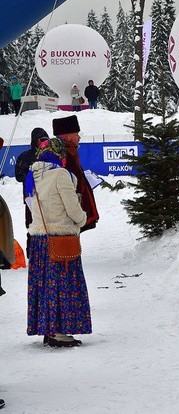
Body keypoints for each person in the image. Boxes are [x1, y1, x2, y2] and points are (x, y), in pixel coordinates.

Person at [25, 137, 90, 347]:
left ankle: (47, 329)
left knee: (44, 286)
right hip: (59, 237)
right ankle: (59, 332)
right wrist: (82, 219)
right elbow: (72, 208)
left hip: (39, 240)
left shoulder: (33, 174)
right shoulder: (61, 174)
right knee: (63, 287)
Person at [53, 115, 99, 232]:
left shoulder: (69, 152)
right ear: (67, 137)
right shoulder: (64, 154)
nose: (79, 137)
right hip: (68, 213)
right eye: (76, 134)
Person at [15, 127, 50, 257]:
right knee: (31, 225)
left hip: (47, 195)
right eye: (42, 140)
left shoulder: (49, 155)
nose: (44, 143)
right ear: (35, 141)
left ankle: (47, 250)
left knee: (47, 224)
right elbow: (19, 176)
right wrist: (33, 176)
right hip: (30, 197)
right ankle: (32, 252)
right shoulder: (25, 156)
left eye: (46, 140)